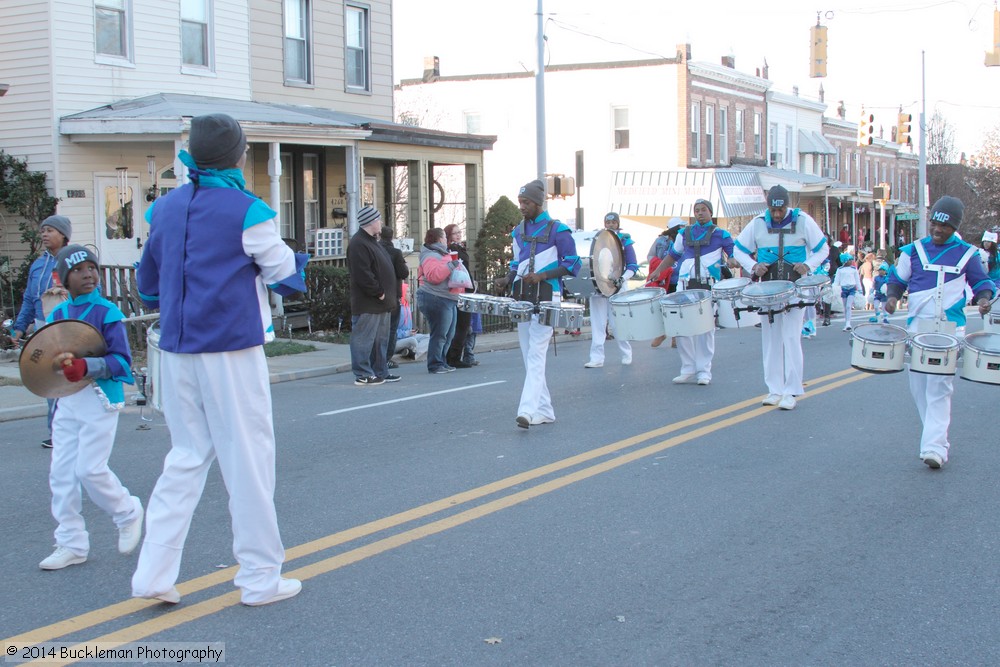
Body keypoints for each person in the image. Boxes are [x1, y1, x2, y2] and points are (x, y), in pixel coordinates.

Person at [132, 113, 306, 606]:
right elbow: (283, 273)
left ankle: (153, 574)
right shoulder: (248, 210)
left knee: (185, 457)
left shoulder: (161, 210)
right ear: (238, 156)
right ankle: (259, 579)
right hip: (230, 350)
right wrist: (300, 262)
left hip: (177, 351)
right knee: (248, 459)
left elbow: (147, 287)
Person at [38, 245, 143, 570]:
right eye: (79, 270)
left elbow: (122, 361)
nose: (88, 274)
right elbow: (44, 361)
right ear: (63, 278)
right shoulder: (56, 316)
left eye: (92, 268)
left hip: (99, 398)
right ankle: (71, 542)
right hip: (66, 401)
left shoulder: (106, 311)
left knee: (89, 469)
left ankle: (127, 512)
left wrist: (87, 367)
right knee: (61, 475)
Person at [885, 196, 996, 469]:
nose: (937, 229)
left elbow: (982, 282)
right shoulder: (913, 251)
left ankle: (934, 447)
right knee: (919, 387)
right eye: (934, 223)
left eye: (944, 226)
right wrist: (891, 298)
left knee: (939, 386)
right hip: (918, 326)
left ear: (954, 227)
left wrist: (983, 299)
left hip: (950, 327)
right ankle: (936, 438)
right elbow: (897, 280)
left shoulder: (968, 253)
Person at [733, 185, 829, 410]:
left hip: (795, 288)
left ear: (788, 206)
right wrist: (753, 265)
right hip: (767, 290)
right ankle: (774, 389)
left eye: (781, 209)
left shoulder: (803, 220)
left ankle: (792, 390)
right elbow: (738, 250)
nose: (777, 214)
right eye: (773, 210)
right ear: (768, 207)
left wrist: (807, 265)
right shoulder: (757, 222)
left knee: (791, 337)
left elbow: (822, 249)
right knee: (770, 338)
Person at [495, 178, 580, 428]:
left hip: (548, 295)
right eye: (520, 201)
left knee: (536, 353)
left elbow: (573, 263)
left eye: (526, 202)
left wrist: (543, 275)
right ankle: (545, 410)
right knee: (527, 354)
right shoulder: (518, 231)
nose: (521, 206)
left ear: (538, 203)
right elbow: (516, 262)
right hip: (522, 295)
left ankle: (527, 411)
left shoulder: (559, 230)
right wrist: (508, 278)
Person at [648, 199, 736, 384]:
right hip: (685, 284)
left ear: (710, 212)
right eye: (697, 210)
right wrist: (658, 272)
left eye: (703, 210)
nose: (700, 213)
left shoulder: (721, 234)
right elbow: (673, 255)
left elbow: (733, 255)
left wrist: (734, 261)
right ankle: (687, 367)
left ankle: (704, 371)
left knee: (706, 329)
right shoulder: (683, 233)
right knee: (682, 327)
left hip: (708, 284)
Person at [12, 214, 72, 448]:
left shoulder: (72, 260)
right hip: (41, 326)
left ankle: (69, 431)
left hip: (67, 328)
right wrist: (19, 327)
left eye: (50, 230)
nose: (45, 235)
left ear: (63, 235)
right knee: (50, 380)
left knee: (67, 379)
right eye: (43, 231)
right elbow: (29, 298)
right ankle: (56, 432)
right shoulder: (39, 264)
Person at [347, 206, 399, 385]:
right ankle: (362, 373)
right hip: (369, 302)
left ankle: (380, 371)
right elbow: (362, 274)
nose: (381, 224)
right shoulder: (358, 243)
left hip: (381, 303)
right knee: (363, 339)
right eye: (378, 220)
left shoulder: (371, 241)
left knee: (380, 340)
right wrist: (379, 293)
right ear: (370, 222)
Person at [584, 212, 637, 368]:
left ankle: (626, 353)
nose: (611, 224)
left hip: (617, 286)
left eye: (614, 221)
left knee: (618, 322)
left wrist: (622, 278)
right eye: (608, 221)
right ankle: (597, 358)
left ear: (618, 223)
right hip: (599, 285)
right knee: (597, 323)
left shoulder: (625, 240)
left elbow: (633, 265)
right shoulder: (598, 238)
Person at [417, 227, 462, 374]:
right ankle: (435, 364)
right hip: (436, 297)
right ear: (438, 239)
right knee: (440, 333)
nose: (446, 240)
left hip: (447, 298)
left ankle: (441, 361)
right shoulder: (430, 255)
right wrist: (451, 265)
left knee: (449, 333)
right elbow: (433, 276)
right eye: (444, 237)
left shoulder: (441, 254)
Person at [444, 223, 476, 369]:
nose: (458, 234)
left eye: (459, 232)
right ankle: (454, 356)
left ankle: (455, 354)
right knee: (461, 325)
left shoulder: (458, 248)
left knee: (462, 325)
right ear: (448, 236)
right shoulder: (452, 250)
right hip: (460, 291)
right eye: (454, 233)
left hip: (464, 289)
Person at [378, 224, 409, 371]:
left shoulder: (375, 249)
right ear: (392, 237)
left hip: (377, 294)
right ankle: (386, 358)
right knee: (391, 329)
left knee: (378, 328)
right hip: (393, 295)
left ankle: (377, 357)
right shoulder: (395, 253)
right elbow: (403, 273)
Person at [833, 252, 863, 331]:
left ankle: (848, 323)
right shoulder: (840, 270)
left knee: (849, 306)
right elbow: (836, 281)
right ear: (845, 261)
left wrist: (860, 289)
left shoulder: (853, 269)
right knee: (845, 307)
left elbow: (857, 280)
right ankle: (846, 323)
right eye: (849, 259)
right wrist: (834, 289)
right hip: (843, 289)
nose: (851, 261)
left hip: (852, 289)